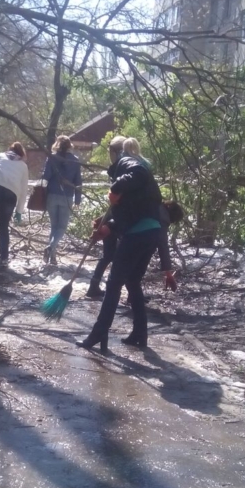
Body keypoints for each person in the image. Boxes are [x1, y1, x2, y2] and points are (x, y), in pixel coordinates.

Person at [77, 136, 163, 353]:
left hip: (138, 234)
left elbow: (137, 173)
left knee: (113, 284)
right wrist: (109, 227)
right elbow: (134, 211)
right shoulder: (141, 170)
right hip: (152, 232)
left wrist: (114, 189)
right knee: (133, 281)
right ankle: (140, 333)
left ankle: (99, 333)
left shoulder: (128, 161)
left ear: (114, 152)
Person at [41, 135, 82, 265]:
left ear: (57, 144)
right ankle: (51, 248)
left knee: (54, 226)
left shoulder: (51, 157)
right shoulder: (75, 160)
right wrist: (78, 199)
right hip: (67, 197)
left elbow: (45, 177)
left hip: (52, 195)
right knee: (62, 228)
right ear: (70, 145)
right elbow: (78, 182)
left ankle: (52, 256)